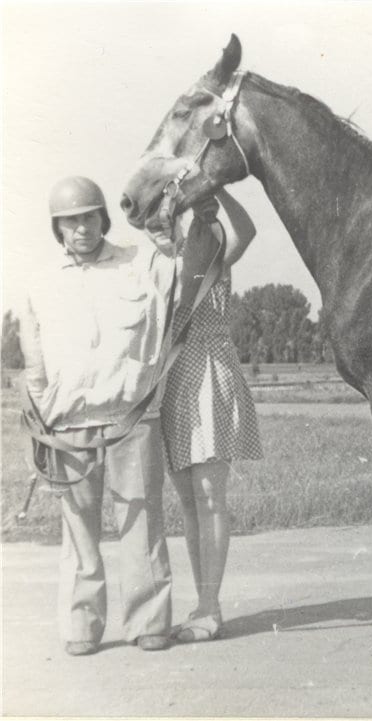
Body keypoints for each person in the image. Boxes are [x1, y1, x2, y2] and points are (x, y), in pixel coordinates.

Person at [20, 176, 177, 655]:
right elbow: (34, 356)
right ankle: (82, 626)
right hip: (68, 425)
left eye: (89, 217)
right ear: (58, 228)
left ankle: (148, 621)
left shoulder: (140, 263)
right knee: (78, 530)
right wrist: (45, 410)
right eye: (71, 221)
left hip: (131, 418)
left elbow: (193, 263)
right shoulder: (42, 282)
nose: (82, 228)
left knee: (142, 520)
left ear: (103, 218)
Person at [147, 187, 262, 643]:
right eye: (154, 220)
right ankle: (202, 604)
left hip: (210, 374)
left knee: (210, 495)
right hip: (170, 384)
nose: (161, 226)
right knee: (189, 503)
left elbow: (248, 231)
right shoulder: (146, 271)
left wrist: (213, 189)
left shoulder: (210, 256)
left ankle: (210, 608)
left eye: (167, 216)